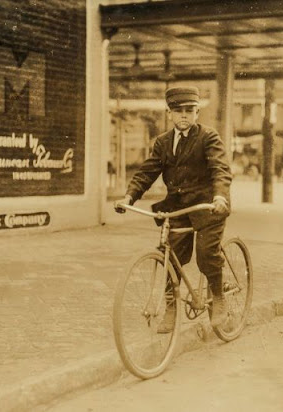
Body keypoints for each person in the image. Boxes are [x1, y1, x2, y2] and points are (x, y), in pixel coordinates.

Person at [114, 86, 232, 332]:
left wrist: (220, 197)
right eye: (178, 111)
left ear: (197, 112)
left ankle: (219, 297)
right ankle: (170, 308)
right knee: (171, 258)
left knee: (206, 254)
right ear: (169, 113)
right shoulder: (163, 142)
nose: (184, 116)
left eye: (189, 111)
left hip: (207, 206)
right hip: (177, 209)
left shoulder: (208, 137)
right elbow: (147, 173)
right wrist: (129, 198)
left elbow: (220, 170)